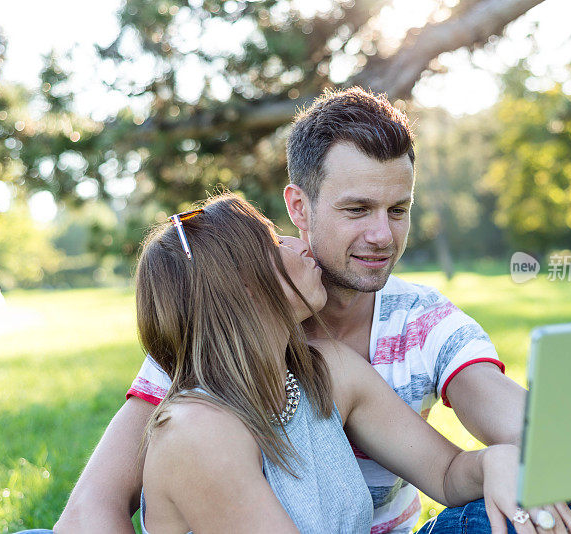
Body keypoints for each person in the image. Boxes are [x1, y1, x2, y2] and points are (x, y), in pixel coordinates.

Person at [54, 88, 571, 534]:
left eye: (397, 209)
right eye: (356, 210)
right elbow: (93, 506)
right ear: (298, 208)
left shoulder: (365, 351)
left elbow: (507, 433)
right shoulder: (202, 356)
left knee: (549, 505)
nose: (383, 235)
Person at [133, 193, 526, 533]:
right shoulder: (195, 432)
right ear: (240, 289)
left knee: (534, 513)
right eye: (273, 244)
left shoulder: (328, 369)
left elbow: (445, 473)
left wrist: (495, 462)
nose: (299, 244)